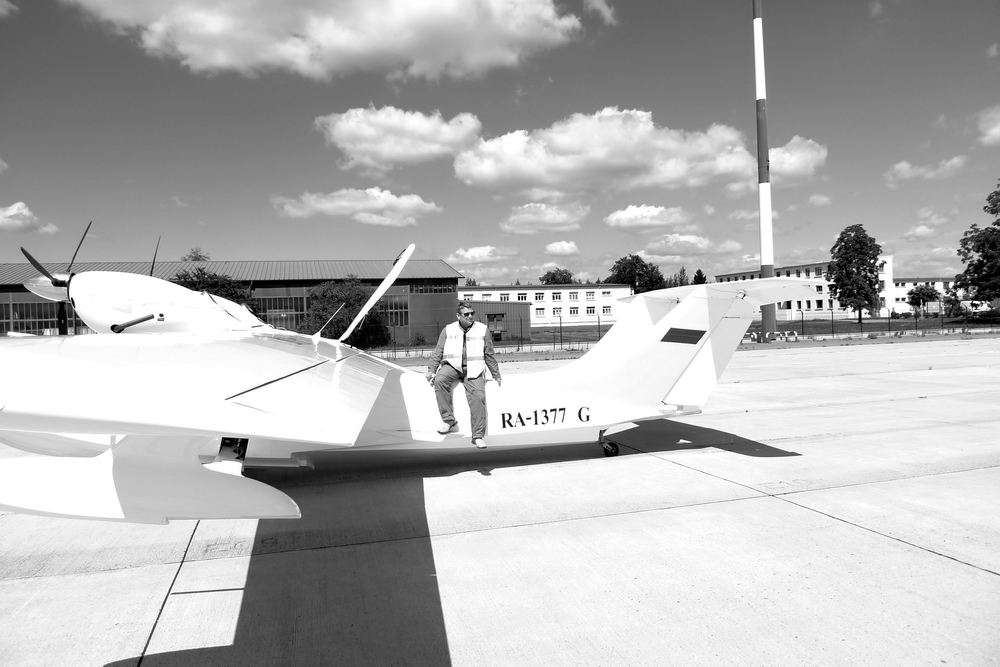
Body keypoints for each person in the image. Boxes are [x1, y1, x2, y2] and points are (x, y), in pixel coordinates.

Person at [425, 302, 502, 449]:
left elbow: (489, 353)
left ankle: (477, 436)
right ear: (458, 316)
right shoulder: (448, 329)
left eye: (472, 313)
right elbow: (438, 351)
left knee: (479, 397)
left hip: (474, 369)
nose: (470, 316)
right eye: (466, 314)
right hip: (452, 366)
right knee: (440, 380)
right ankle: (449, 421)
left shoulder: (483, 329)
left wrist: (496, 374)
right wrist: (431, 370)